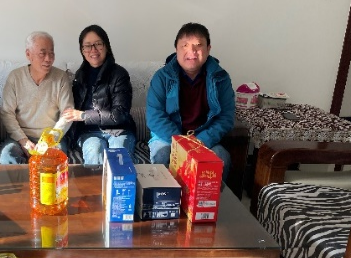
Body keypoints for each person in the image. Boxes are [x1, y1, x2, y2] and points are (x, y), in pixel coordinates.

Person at [146, 22, 235, 181]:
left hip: (203, 138)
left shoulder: (221, 78)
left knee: (221, 158)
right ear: (176, 49)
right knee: (163, 156)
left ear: (208, 49)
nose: (192, 51)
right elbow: (154, 117)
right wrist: (182, 144)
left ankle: (210, 199)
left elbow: (226, 117)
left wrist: (200, 141)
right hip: (168, 137)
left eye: (198, 45)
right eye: (185, 45)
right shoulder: (162, 77)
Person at [61, 25, 136, 164]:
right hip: (88, 132)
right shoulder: (79, 76)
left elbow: (119, 114)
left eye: (98, 44)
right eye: (87, 46)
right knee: (94, 151)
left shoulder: (120, 74)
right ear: (82, 50)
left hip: (118, 131)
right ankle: (95, 180)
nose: (93, 50)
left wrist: (83, 115)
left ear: (106, 46)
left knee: (118, 157)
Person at [0, 31, 74, 164]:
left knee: (55, 158)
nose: (48, 59)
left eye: (51, 53)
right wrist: (23, 140)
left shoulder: (61, 77)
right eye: (42, 53)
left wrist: (49, 140)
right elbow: (7, 113)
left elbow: (67, 113)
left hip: (52, 138)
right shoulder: (15, 77)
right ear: (28, 54)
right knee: (7, 154)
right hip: (20, 138)